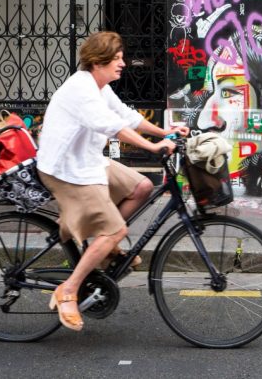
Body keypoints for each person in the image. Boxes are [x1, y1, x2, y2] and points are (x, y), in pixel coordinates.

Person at [36, 31, 188, 332]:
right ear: (98, 61)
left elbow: (126, 116)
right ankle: (69, 289)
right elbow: (114, 126)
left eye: (122, 58)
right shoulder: (81, 89)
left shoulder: (100, 87)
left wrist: (165, 134)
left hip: (88, 161)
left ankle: (102, 245)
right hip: (66, 170)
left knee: (142, 186)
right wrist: (152, 148)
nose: (123, 64)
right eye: (117, 59)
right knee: (116, 230)